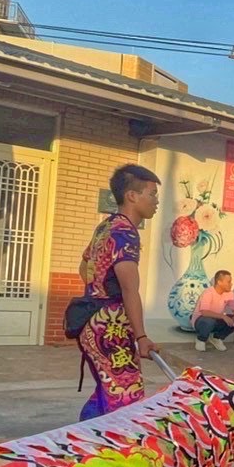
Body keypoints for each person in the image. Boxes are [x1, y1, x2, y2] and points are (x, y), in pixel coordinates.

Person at [76, 164, 161, 420]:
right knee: (126, 397)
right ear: (132, 196)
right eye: (152, 194)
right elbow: (129, 288)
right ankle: (96, 441)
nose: (156, 201)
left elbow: (84, 267)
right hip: (110, 329)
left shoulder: (106, 226)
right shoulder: (125, 233)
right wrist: (141, 336)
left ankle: (81, 436)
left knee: (108, 391)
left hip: (91, 322)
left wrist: (97, 290)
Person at [193, 271, 234, 352]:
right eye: (228, 282)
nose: (231, 284)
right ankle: (201, 339)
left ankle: (216, 338)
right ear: (219, 282)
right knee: (209, 321)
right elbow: (204, 312)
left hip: (216, 319)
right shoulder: (208, 293)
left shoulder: (229, 293)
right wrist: (223, 316)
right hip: (201, 320)